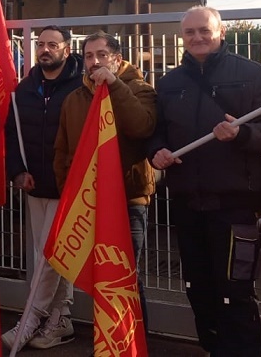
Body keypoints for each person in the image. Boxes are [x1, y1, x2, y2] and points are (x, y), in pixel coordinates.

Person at [148, 6, 261, 357]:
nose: (197, 38)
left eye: (204, 31)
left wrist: (242, 134)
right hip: (186, 203)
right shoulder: (168, 84)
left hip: (234, 206)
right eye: (190, 32)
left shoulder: (252, 75)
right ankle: (213, 349)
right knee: (198, 288)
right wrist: (157, 152)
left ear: (221, 32)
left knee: (234, 291)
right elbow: (155, 133)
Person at [53, 31, 158, 340]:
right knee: (98, 278)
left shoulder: (140, 89)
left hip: (128, 201)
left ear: (117, 59)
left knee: (124, 279)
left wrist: (114, 85)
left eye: (101, 55)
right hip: (88, 203)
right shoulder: (74, 99)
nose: (94, 62)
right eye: (88, 56)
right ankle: (105, 342)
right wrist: (68, 195)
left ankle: (131, 343)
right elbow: (62, 150)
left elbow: (142, 126)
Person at [1, 26, 84, 351]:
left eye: (53, 44)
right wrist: (18, 171)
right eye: (41, 44)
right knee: (48, 255)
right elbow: (12, 131)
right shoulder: (25, 88)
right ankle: (60, 319)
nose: (45, 49)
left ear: (66, 48)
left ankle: (31, 318)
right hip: (36, 185)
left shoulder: (82, 85)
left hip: (69, 186)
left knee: (52, 255)